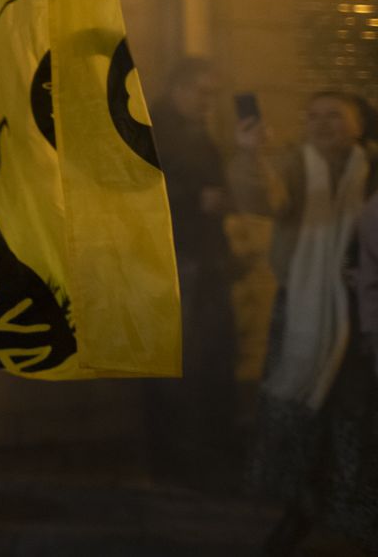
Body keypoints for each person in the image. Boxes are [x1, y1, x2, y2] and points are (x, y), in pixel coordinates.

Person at [230, 90, 378, 554]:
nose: (321, 124)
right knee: (300, 410)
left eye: (334, 115)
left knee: (355, 416)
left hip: (363, 311)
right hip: (304, 308)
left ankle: (354, 517)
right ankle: (300, 509)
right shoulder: (294, 164)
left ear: (359, 123)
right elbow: (264, 198)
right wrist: (251, 155)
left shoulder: (373, 168)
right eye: (313, 116)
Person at [143, 57, 238, 488]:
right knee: (181, 359)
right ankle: (178, 458)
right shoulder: (153, 129)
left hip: (201, 253)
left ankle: (202, 451)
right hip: (176, 255)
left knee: (211, 353)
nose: (208, 102)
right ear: (178, 89)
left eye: (213, 95)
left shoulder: (195, 131)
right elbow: (137, 185)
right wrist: (194, 200)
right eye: (202, 93)